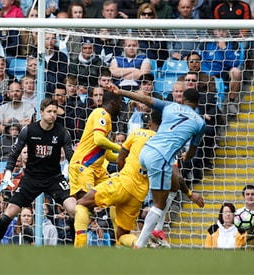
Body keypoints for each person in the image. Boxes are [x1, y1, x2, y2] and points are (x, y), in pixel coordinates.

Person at [106, 84, 206, 249]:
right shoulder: (200, 123)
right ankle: (140, 244)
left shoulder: (170, 106)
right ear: (197, 104)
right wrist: (186, 156)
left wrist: (120, 92)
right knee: (158, 205)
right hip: (160, 158)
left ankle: (158, 230)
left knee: (173, 185)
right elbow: (192, 151)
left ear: (183, 99)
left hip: (146, 152)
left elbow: (144, 99)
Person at [0, 98, 76, 243]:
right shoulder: (29, 130)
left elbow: (71, 158)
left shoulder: (62, 133)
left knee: (74, 210)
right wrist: (7, 173)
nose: (52, 115)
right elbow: (14, 154)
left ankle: (78, 246)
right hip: (31, 179)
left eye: (55, 112)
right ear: (41, 113)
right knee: (9, 213)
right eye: (49, 111)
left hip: (54, 178)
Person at [74, 110, 161, 247]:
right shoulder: (166, 145)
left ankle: (79, 247)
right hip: (139, 195)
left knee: (82, 202)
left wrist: (124, 172)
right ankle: (140, 243)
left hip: (123, 183)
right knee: (122, 236)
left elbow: (120, 157)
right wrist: (189, 194)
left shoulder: (137, 133)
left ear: (149, 123)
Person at [68, 91, 123, 200]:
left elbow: (108, 155)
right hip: (83, 164)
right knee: (85, 203)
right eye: (119, 104)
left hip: (97, 169)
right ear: (113, 103)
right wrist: (121, 148)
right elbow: (98, 140)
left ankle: (116, 218)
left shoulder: (108, 121)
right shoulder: (100, 113)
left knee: (116, 195)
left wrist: (128, 156)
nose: (120, 107)